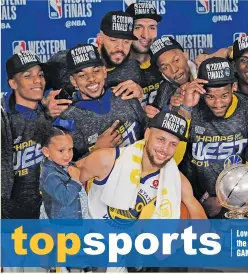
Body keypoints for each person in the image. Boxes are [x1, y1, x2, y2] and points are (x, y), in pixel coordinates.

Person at [78, 110, 206, 220]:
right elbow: (64, 180)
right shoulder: (107, 159)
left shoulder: (177, 180)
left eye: (173, 144)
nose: (165, 149)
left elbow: (201, 223)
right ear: (147, 134)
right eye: (161, 140)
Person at [177, 57, 248, 218]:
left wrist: (226, 199)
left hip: (241, 199)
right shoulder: (191, 108)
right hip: (195, 198)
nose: (218, 103)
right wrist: (185, 108)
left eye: (224, 96)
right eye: (210, 97)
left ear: (234, 86)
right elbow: (174, 154)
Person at [56, 44, 146, 160]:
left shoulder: (126, 95)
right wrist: (96, 151)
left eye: (96, 71)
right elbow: (66, 170)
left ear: (104, 72)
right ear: (73, 81)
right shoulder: (67, 120)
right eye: (82, 75)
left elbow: (148, 134)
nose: (91, 78)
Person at [2, 51, 51, 219]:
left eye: (40, 74)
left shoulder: (51, 111)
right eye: (28, 76)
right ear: (13, 83)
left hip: (45, 214)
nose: (37, 81)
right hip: (9, 218)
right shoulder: (5, 118)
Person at [37, 124, 89, 219]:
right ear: (46, 151)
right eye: (61, 151)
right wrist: (75, 180)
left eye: (70, 149)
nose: (67, 155)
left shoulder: (60, 163)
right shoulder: (50, 176)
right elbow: (65, 199)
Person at [97, 10, 144, 101]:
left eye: (126, 42)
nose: (120, 48)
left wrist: (141, 96)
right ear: (100, 39)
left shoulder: (133, 68)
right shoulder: (68, 62)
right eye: (113, 40)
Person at [126, 2, 164, 107]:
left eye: (152, 27)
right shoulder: (112, 67)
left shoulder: (165, 63)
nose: (146, 35)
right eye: (138, 27)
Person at [149, 36, 197, 113]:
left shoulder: (205, 73)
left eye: (176, 60)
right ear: (161, 71)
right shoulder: (163, 89)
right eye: (165, 68)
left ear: (185, 56)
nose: (174, 70)